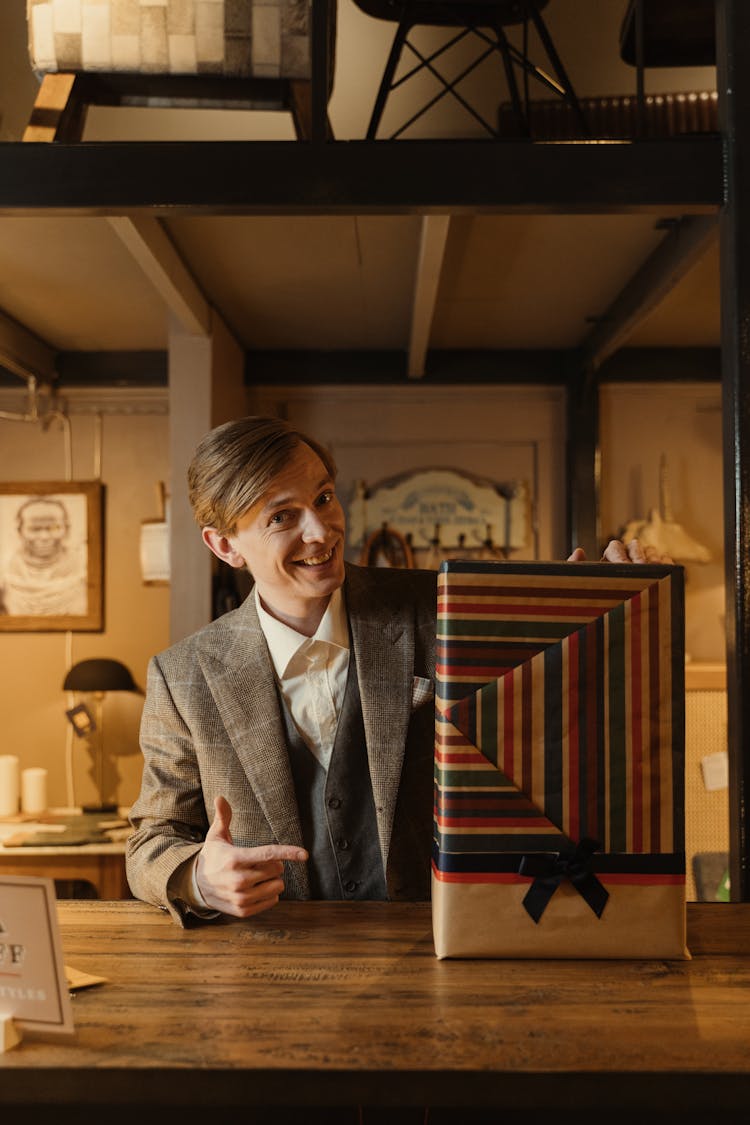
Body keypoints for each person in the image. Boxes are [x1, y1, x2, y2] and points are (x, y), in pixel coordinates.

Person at [126, 416, 669, 925]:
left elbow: (553, 720)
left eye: (323, 498)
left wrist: (603, 615)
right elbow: (153, 840)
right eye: (282, 517)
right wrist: (198, 877)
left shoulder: (445, 607)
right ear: (224, 545)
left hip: (444, 943)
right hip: (273, 969)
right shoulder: (184, 676)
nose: (321, 530)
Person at [0, 496, 87, 616]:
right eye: (35, 529)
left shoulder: (82, 566)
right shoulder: (6, 569)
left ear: (66, 529)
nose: (44, 537)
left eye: (54, 528)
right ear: (20, 531)